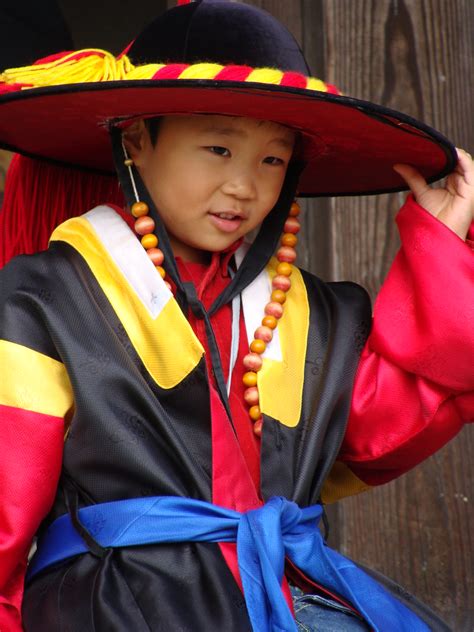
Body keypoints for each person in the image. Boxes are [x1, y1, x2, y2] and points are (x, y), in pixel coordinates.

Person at [0, 1, 472, 630]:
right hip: (119, 605)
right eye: (218, 148)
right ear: (137, 139)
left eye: (272, 160)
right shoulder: (45, 301)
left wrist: (440, 246)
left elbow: (376, 433)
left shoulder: (306, 311)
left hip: (279, 593)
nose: (245, 186)